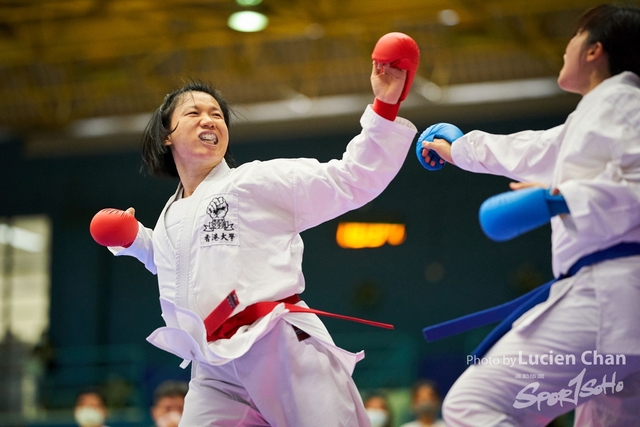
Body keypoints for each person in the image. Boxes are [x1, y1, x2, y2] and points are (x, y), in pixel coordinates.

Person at [97, 34, 419, 426]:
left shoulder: (253, 183)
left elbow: (348, 179)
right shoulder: (171, 216)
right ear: (167, 135)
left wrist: (386, 105)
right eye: (194, 113)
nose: (210, 119)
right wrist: (133, 239)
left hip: (275, 344)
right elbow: (179, 263)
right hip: (213, 365)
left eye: (217, 114)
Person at [419, 4, 640, 426]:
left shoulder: (624, 102)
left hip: (609, 296)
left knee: (472, 403)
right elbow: (532, 150)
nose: (565, 48)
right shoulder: (598, 113)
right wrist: (460, 148)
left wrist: (559, 199)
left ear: (594, 50)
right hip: (616, 303)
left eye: (574, 38)